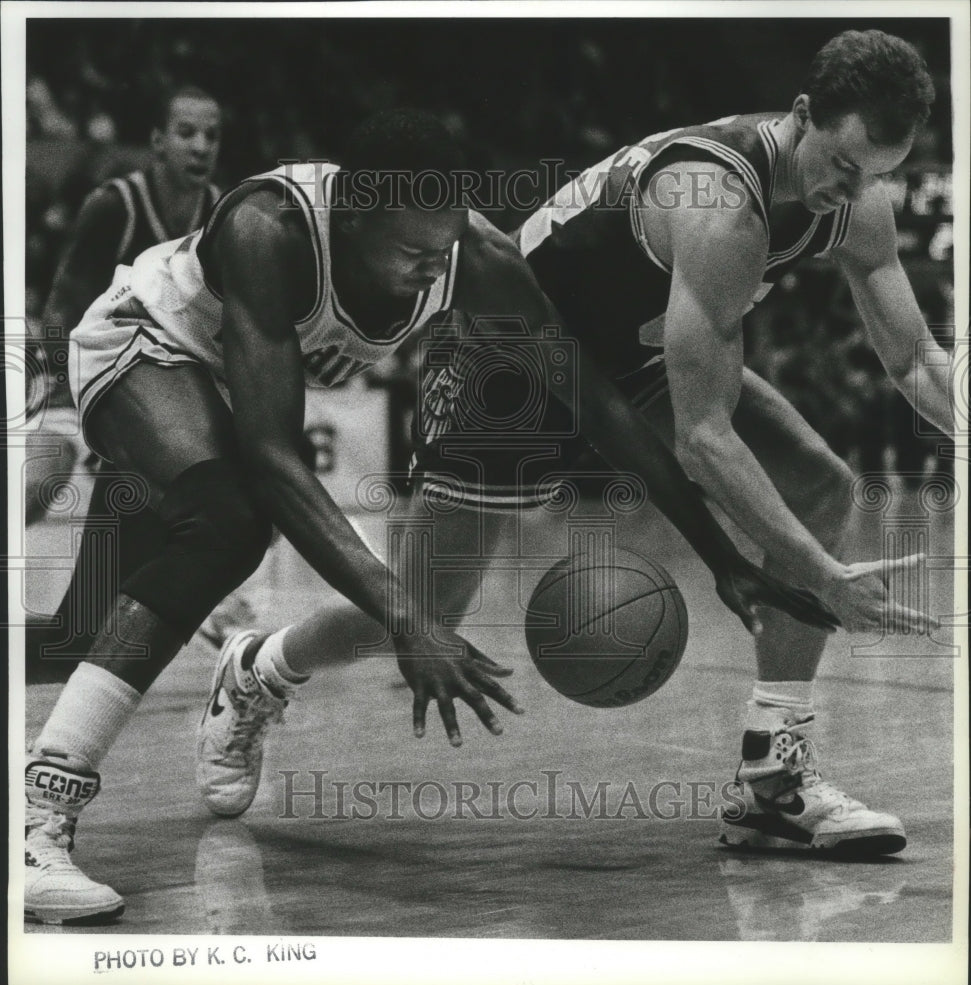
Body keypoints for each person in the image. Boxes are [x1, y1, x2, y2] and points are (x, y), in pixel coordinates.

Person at [25, 108, 843, 926]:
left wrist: (718, 553)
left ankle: (242, 678)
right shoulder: (263, 227)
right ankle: (39, 820)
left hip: (226, 388)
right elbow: (275, 463)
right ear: (353, 217)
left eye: (442, 244)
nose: (431, 267)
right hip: (146, 344)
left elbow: (595, 402)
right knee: (231, 524)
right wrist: (406, 621)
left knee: (102, 611)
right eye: (411, 251)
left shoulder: (471, 257)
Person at [194, 47, 943, 858]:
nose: (848, 187)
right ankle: (259, 668)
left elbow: (910, 360)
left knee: (820, 487)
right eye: (839, 163)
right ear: (799, 113)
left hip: (633, 359)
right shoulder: (718, 199)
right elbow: (704, 437)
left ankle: (773, 782)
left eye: (872, 173)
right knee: (425, 609)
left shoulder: (857, 204)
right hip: (510, 362)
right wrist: (817, 572)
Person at [25, 84, 226, 681]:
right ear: (159, 142)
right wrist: (70, 391)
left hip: (153, 389)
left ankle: (202, 615)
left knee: (177, 499)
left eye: (212, 135)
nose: (202, 146)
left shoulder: (221, 213)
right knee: (39, 483)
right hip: (81, 375)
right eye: (188, 132)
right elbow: (62, 301)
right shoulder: (114, 204)